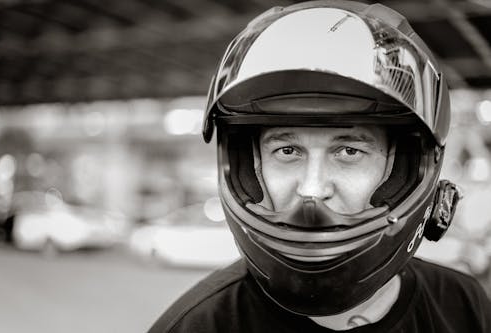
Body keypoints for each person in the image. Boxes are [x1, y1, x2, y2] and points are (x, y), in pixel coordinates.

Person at [148, 1, 491, 332]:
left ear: (406, 165)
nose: (312, 189)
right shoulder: (196, 325)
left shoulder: (464, 304)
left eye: (348, 151)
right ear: (248, 169)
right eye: (287, 150)